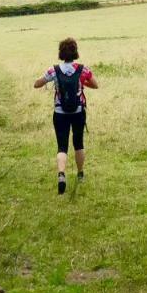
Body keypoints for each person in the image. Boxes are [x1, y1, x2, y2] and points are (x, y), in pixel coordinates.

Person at [33, 36, 99, 194]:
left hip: (60, 113)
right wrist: (82, 83)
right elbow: (95, 85)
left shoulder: (53, 70)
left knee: (62, 146)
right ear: (76, 52)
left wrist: (47, 82)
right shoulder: (82, 69)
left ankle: (61, 174)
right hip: (78, 112)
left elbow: (37, 84)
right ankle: (80, 174)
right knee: (78, 143)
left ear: (61, 53)